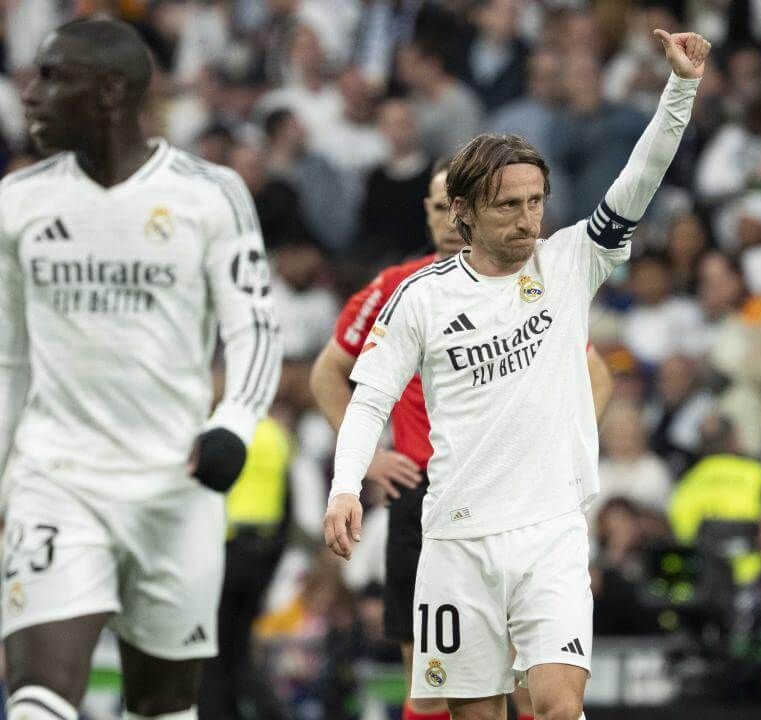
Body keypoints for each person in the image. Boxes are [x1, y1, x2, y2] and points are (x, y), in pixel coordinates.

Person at [324, 28, 709, 720]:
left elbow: (640, 177)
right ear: (464, 212)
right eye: (510, 205)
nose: (530, 219)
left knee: (560, 706)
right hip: (456, 541)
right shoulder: (421, 298)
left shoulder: (570, 263)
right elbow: (369, 396)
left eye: (536, 201)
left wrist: (680, 88)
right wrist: (345, 486)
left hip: (550, 533)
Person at [0, 18, 282, 720]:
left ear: (109, 92)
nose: (29, 95)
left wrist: (235, 427)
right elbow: (10, 361)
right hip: (56, 479)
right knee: (37, 695)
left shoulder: (209, 194)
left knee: (162, 708)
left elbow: (254, 326)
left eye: (52, 77)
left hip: (173, 487)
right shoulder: (17, 204)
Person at [311, 160, 615, 720]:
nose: (448, 220)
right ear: (442, 212)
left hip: (532, 506)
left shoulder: (540, 282)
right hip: (431, 502)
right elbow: (336, 375)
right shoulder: (402, 292)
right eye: (436, 206)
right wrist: (363, 468)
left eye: (530, 203)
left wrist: (557, 445)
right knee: (430, 687)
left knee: (542, 688)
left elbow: (592, 372)